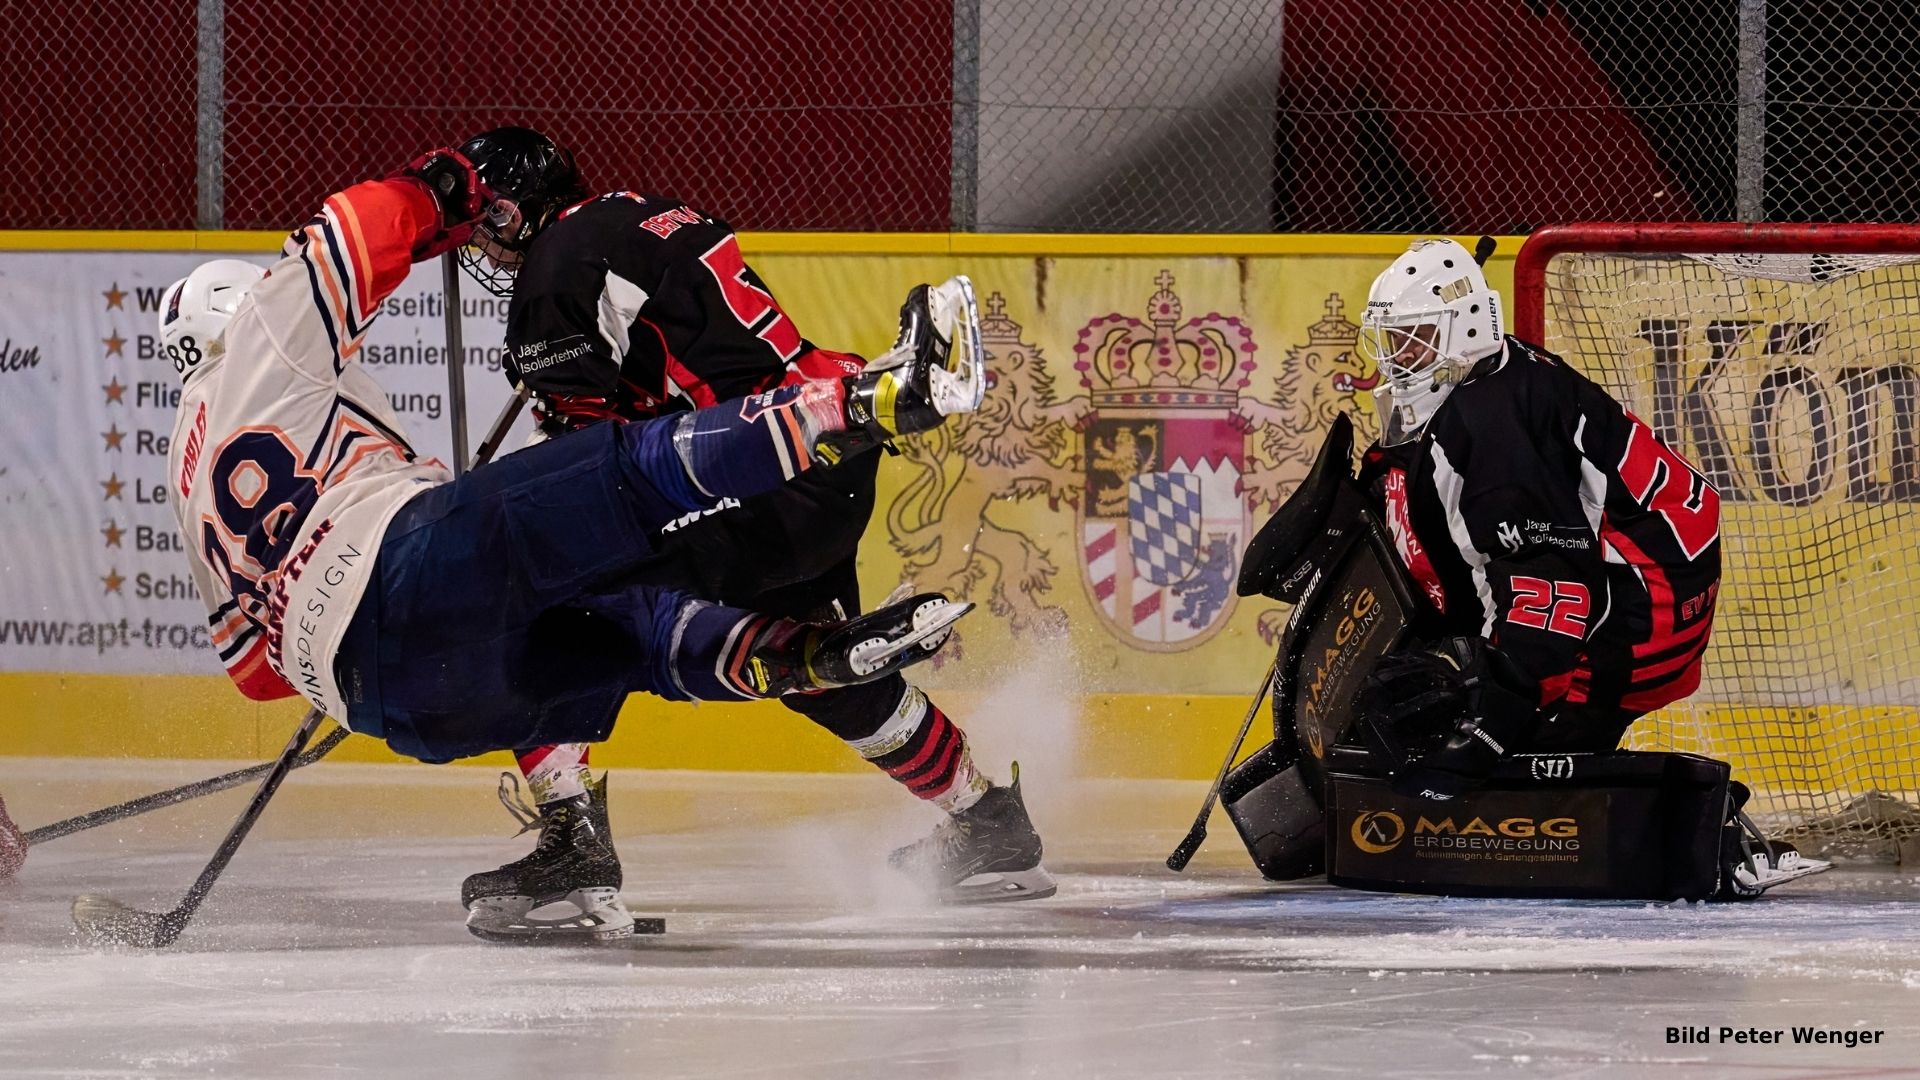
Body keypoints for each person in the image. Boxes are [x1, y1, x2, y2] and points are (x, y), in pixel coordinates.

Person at [159, 148, 982, 939]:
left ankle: (585, 839)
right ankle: (878, 413)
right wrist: (439, 186)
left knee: (623, 625)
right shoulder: (276, 337)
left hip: (385, 700)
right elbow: (349, 234)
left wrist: (340, 637)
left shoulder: (181, 469)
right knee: (617, 521)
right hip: (785, 464)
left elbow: (257, 677)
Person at [444, 127, 1054, 918]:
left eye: (491, 220)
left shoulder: (555, 271)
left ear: (522, 208)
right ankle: (988, 824)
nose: (485, 245)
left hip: (750, 483)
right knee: (824, 670)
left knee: (534, 599)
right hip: (820, 462)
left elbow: (583, 465)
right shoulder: (637, 211)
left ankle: (573, 847)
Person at [1350, 238, 1823, 895]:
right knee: (1500, 703)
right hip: (1632, 568)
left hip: (1649, 595)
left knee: (1538, 743)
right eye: (1395, 340)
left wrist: (1493, 725)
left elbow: (1558, 586)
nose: (1400, 358)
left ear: (1463, 331)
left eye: (1416, 339)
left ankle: (1717, 841)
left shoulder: (1492, 426)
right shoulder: (1480, 383)